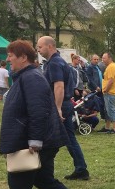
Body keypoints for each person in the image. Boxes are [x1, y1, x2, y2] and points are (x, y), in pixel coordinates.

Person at [0, 40, 88, 189]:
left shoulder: (31, 78)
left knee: (19, 181)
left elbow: (38, 112)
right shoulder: (26, 76)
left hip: (40, 141)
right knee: (43, 179)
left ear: (23, 57)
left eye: (11, 55)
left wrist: (35, 140)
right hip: (42, 139)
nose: (7, 59)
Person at [36, 36, 90, 180]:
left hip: (59, 105)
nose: (38, 50)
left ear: (50, 46)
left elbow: (59, 86)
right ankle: (81, 168)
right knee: (69, 138)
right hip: (64, 104)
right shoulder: (59, 62)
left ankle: (43, 170)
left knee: (50, 138)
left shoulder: (54, 63)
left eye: (40, 47)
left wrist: (57, 108)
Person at [100, 51, 115, 134]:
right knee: (108, 111)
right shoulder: (112, 66)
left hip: (110, 93)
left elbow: (111, 80)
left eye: (104, 58)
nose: (102, 60)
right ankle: (107, 127)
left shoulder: (111, 67)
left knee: (111, 110)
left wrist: (106, 90)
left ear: (110, 58)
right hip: (109, 93)